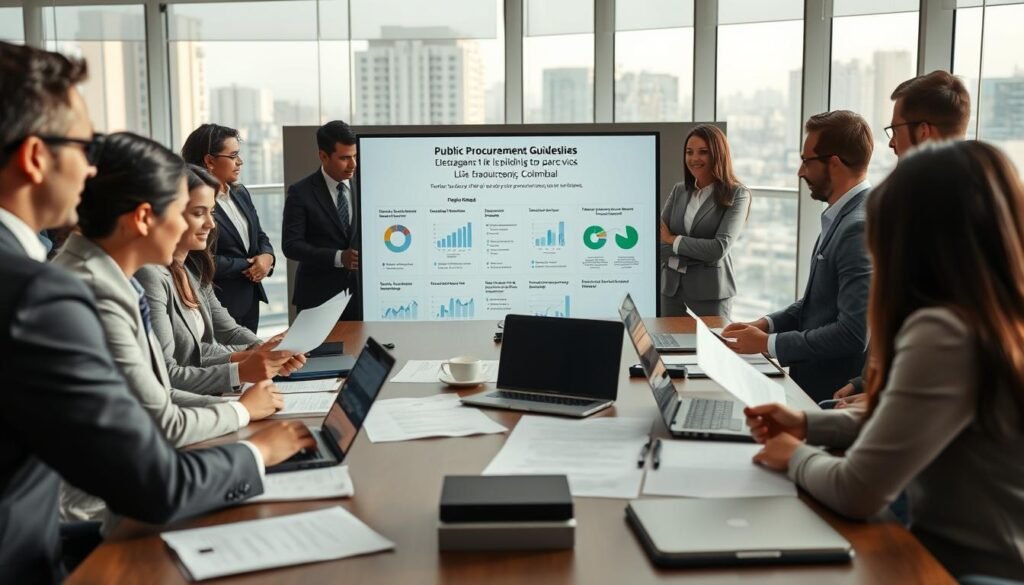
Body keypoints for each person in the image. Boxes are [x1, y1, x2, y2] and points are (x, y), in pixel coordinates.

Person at [0, 41, 313, 583]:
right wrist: (258, 446)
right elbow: (153, 477)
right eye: (85, 144)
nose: (91, 167)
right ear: (33, 157)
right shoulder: (42, 293)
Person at [744, 141, 1024, 581]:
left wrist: (794, 455)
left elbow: (858, 491)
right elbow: (906, 422)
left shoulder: (945, 333)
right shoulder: (994, 319)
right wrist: (809, 424)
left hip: (958, 571)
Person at [51, 133, 296, 520]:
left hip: (135, 484)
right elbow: (163, 421)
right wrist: (245, 420)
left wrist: (239, 406)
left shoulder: (115, 279)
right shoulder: (95, 290)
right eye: (186, 210)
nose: (207, 226)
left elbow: (161, 394)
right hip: (100, 512)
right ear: (145, 217)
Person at [834, 70, 972, 405]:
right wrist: (865, 382)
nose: (891, 142)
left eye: (895, 130)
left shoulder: (935, 210)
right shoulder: (978, 193)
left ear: (923, 131)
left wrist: (882, 397)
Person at [722, 111, 872, 402]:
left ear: (835, 163)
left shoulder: (857, 227)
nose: (800, 172)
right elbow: (819, 302)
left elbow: (853, 333)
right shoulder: (843, 216)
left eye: (806, 161)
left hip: (831, 394)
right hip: (815, 386)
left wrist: (768, 343)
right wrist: (765, 324)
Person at [136, 165, 306, 395]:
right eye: (198, 213)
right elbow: (167, 374)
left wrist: (265, 350)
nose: (211, 224)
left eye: (212, 212)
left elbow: (224, 336)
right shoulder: (150, 276)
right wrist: (243, 369)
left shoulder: (192, 270)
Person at [181, 123, 274, 333]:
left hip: (250, 298)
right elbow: (198, 258)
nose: (240, 162)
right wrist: (250, 265)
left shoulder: (240, 192)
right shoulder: (193, 203)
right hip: (219, 300)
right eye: (233, 156)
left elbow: (259, 235)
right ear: (209, 160)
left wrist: (267, 257)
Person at [659, 124, 750, 319]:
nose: (694, 159)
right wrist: (696, 254)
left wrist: (673, 240)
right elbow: (658, 240)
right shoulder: (679, 190)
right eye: (689, 152)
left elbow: (718, 249)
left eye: (703, 152)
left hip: (712, 293)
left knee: (713, 348)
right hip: (671, 290)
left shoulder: (737, 194)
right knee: (670, 347)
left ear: (718, 154)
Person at [282, 120, 361, 319]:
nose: (353, 164)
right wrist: (338, 257)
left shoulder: (365, 186)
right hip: (317, 297)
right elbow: (291, 245)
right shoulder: (300, 192)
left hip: (361, 296)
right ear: (323, 156)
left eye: (355, 156)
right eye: (344, 158)